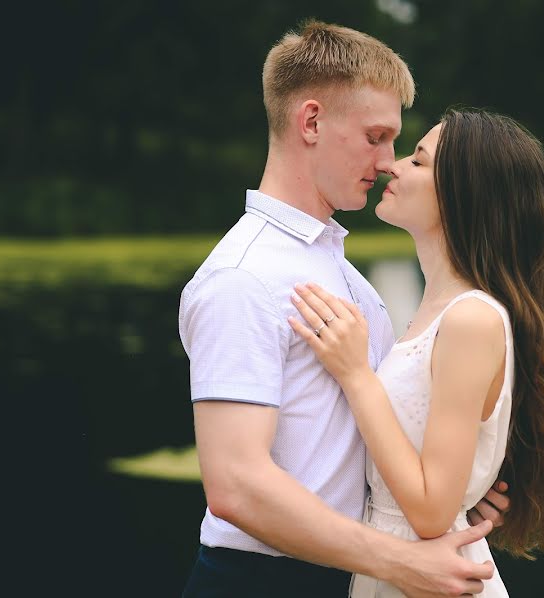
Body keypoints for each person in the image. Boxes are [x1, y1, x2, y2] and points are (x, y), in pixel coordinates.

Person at [178, 22, 510, 598]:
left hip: (346, 575)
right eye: (376, 137)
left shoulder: (346, 276)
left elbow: (358, 434)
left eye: (396, 143)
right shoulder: (243, 276)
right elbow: (235, 486)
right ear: (311, 122)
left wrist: (453, 492)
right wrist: (402, 560)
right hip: (261, 583)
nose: (387, 162)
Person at [289, 108, 544, 597]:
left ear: (462, 195)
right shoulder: (439, 311)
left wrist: (356, 374)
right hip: (402, 568)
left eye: (419, 161)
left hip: (425, 576)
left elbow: (429, 512)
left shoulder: (471, 319)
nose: (394, 166)